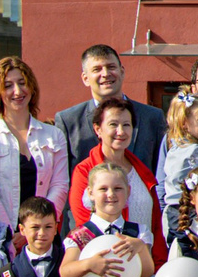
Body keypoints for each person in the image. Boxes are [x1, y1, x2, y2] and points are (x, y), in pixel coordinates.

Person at [0, 55, 69, 236]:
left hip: (42, 238)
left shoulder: (54, 135)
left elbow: (60, 186)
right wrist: (9, 234)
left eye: (22, 83)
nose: (17, 91)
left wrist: (37, 229)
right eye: (8, 86)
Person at [52, 44, 167, 179]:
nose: (106, 74)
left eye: (111, 67)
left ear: (122, 71)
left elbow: (161, 172)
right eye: (97, 69)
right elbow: (61, 179)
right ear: (85, 78)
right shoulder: (68, 121)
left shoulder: (152, 117)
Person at [63, 95, 159, 257]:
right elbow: (83, 227)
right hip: (105, 264)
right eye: (113, 124)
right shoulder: (85, 171)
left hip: (144, 267)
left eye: (126, 125)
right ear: (98, 129)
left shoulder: (142, 172)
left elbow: (155, 225)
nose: (121, 132)